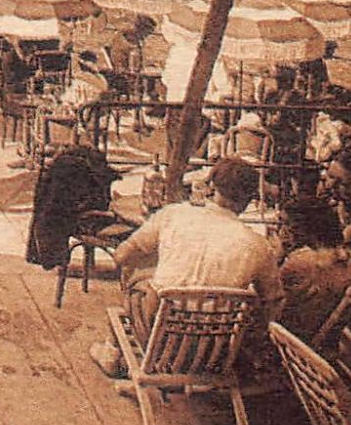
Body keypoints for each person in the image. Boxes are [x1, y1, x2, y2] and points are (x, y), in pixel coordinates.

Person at [91, 157, 282, 377]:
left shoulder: (175, 214)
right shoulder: (258, 245)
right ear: (250, 199)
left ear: (211, 186)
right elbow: (274, 301)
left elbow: (122, 255)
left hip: (157, 337)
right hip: (215, 349)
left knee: (139, 279)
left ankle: (112, 351)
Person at [274, 195, 351, 344]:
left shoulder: (302, 263)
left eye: (287, 225)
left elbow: (271, 302)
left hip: (291, 337)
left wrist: (279, 255)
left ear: (305, 229)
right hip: (320, 331)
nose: (282, 230)